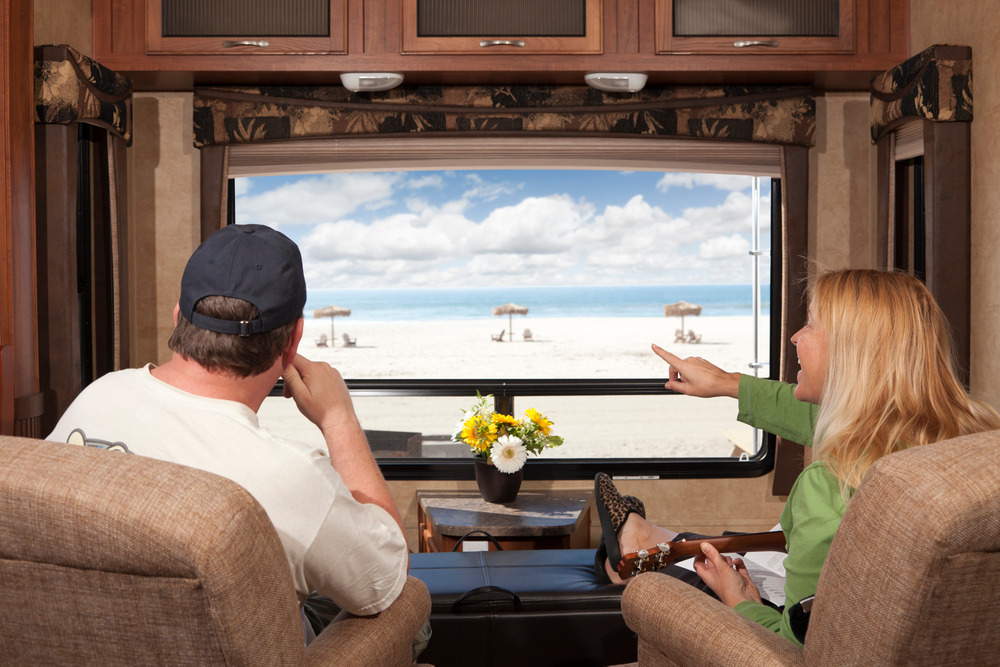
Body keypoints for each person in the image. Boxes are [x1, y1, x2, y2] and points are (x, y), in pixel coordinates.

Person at [594, 269, 1000, 646]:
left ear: (851, 352)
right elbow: (835, 421)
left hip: (808, 644)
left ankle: (644, 547)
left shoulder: (830, 483)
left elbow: (800, 643)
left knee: (646, 587)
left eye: (810, 325)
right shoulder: (972, 439)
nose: (795, 337)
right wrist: (726, 383)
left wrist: (740, 601)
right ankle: (659, 540)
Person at [47, 224, 413, 641]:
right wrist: (338, 419)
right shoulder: (290, 477)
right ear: (293, 340)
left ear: (178, 317)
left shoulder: (98, 396)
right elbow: (387, 578)